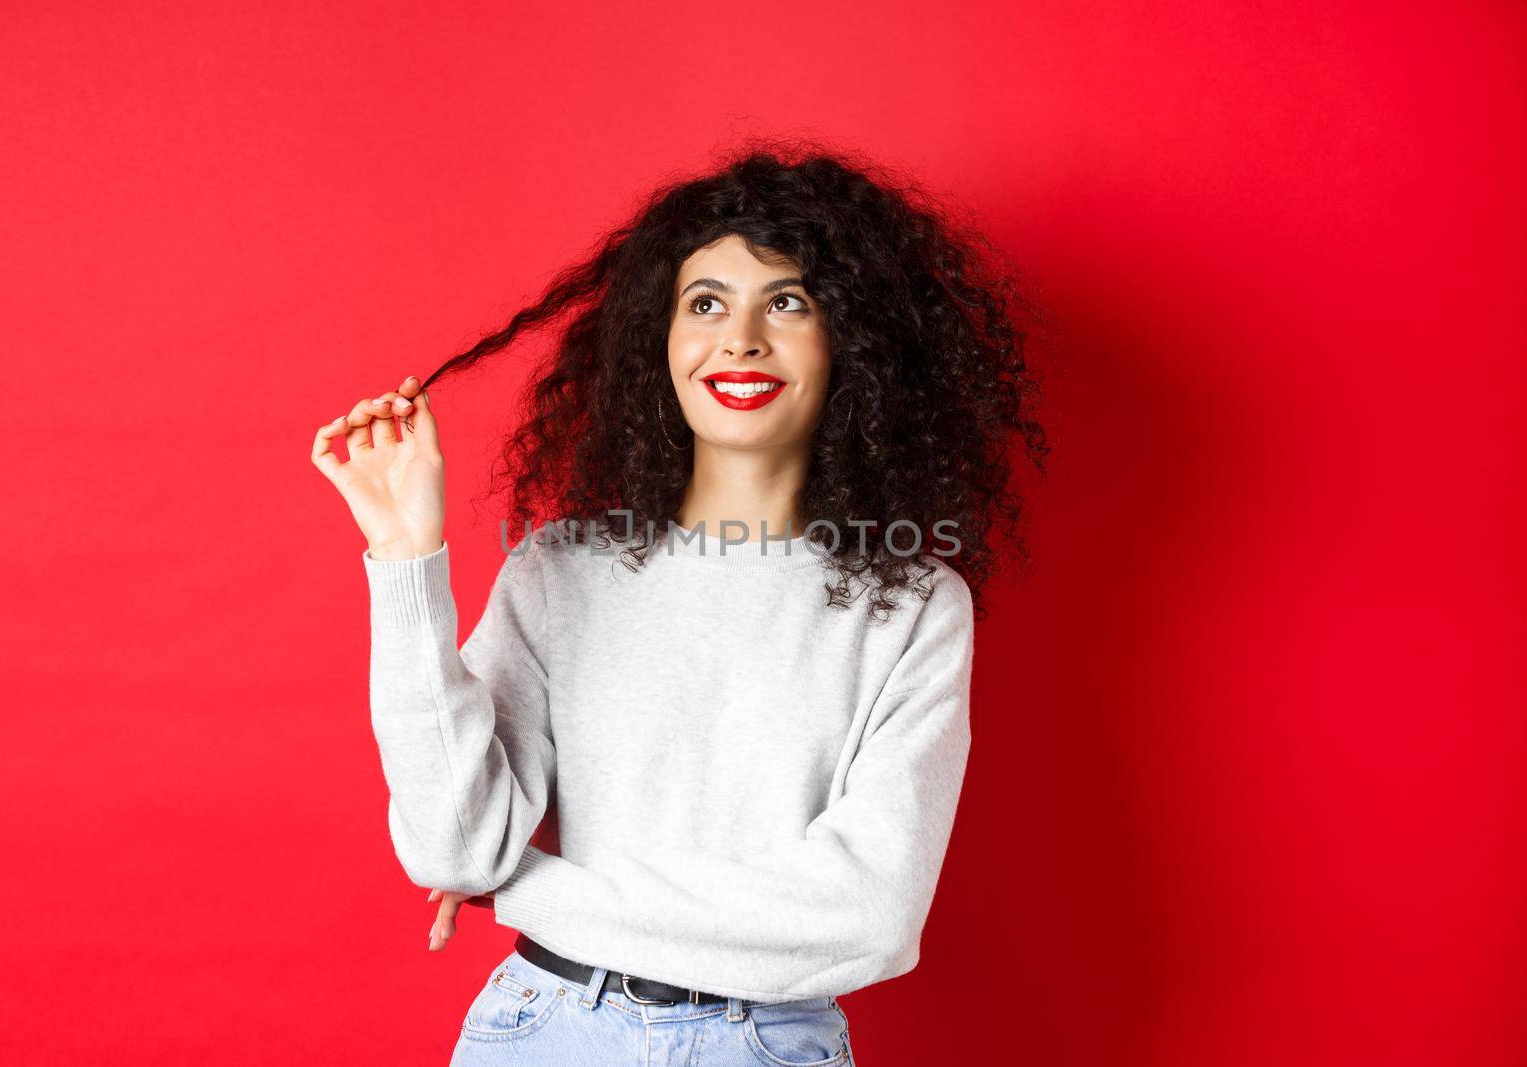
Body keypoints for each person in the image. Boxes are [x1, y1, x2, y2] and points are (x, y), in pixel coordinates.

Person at [310, 142, 1048, 1065]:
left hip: (767, 1044)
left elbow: (870, 917)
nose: (740, 338)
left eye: (787, 302)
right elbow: (457, 846)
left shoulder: (910, 606)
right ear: (659, 342)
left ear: (854, 344)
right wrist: (406, 555)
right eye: (706, 304)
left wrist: (529, 887)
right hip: (542, 1030)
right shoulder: (556, 570)